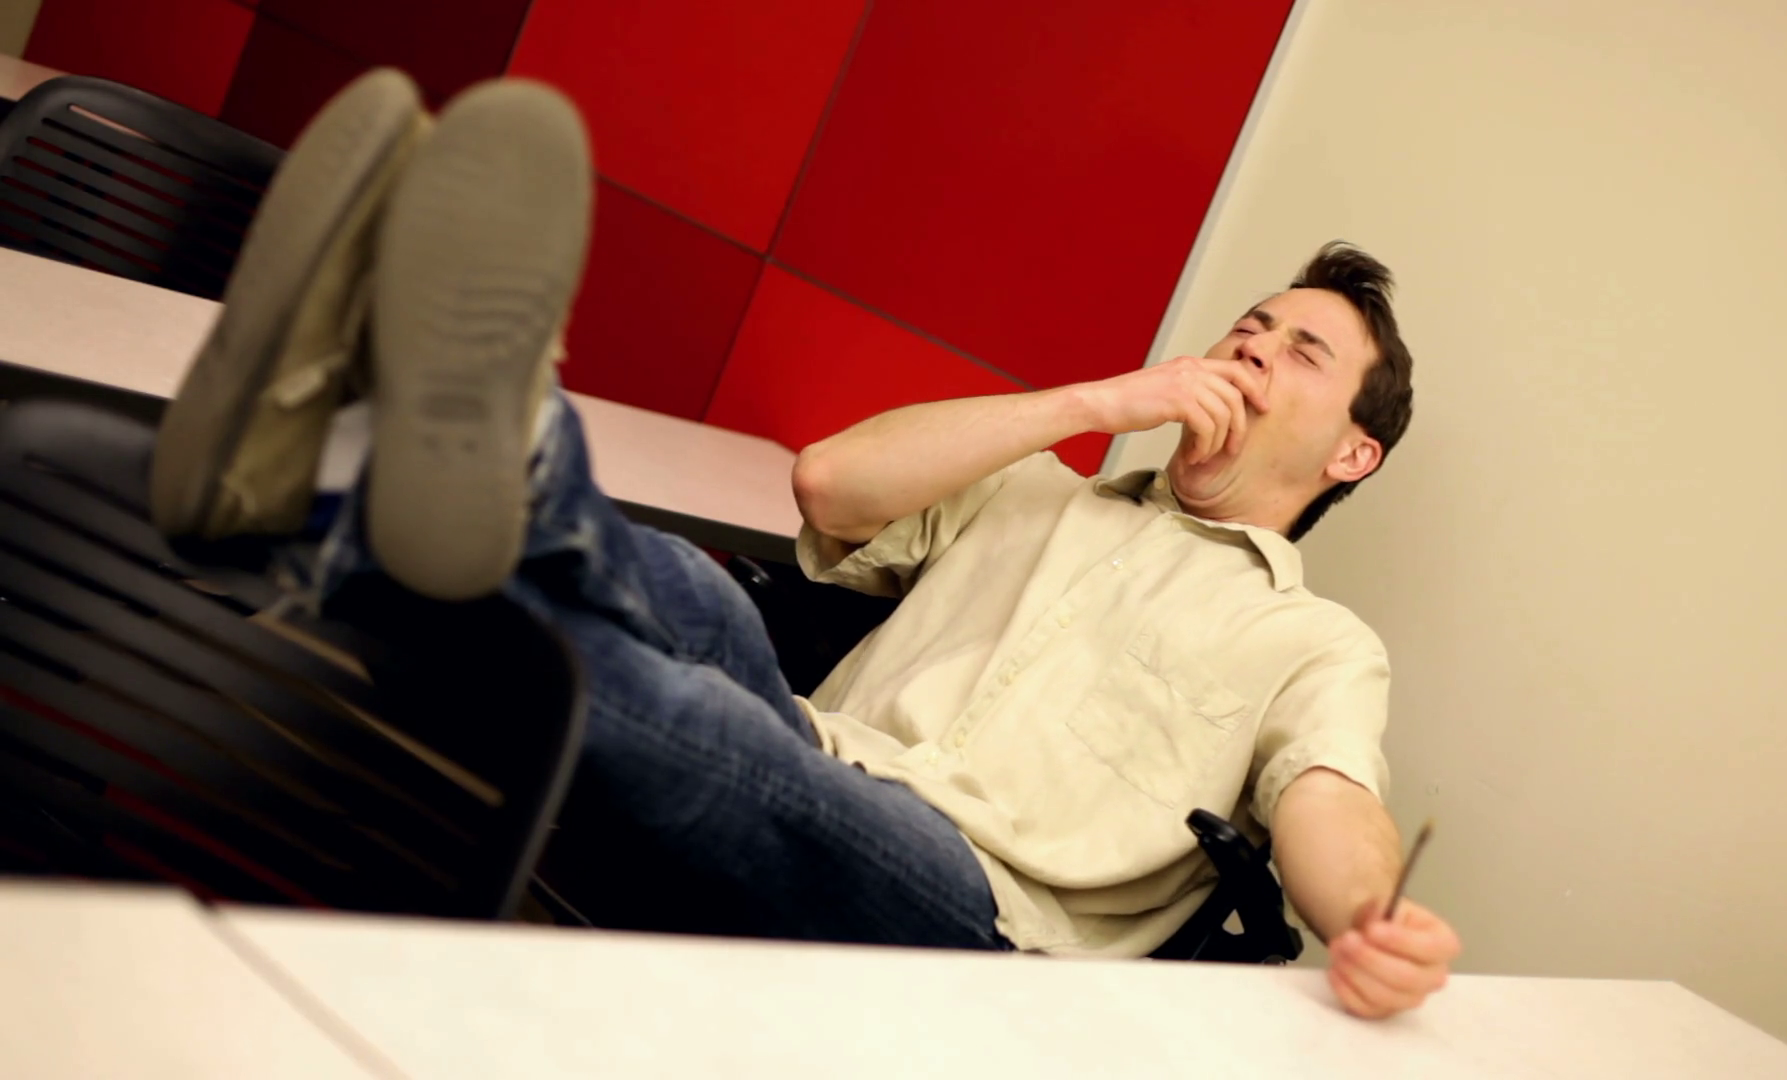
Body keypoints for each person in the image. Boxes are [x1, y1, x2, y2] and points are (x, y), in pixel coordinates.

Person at [152, 69, 1461, 1019]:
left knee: (679, 701)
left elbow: (1329, 802)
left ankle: (338, 477)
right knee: (682, 587)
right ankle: (414, 436)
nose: (1251, 347)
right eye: (1247, 325)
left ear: (1352, 454)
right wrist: (1097, 403)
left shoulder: (1312, 642)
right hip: (815, 750)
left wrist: (1369, 917)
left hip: (970, 914)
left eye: (1300, 351)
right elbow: (831, 484)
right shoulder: (1035, 492)